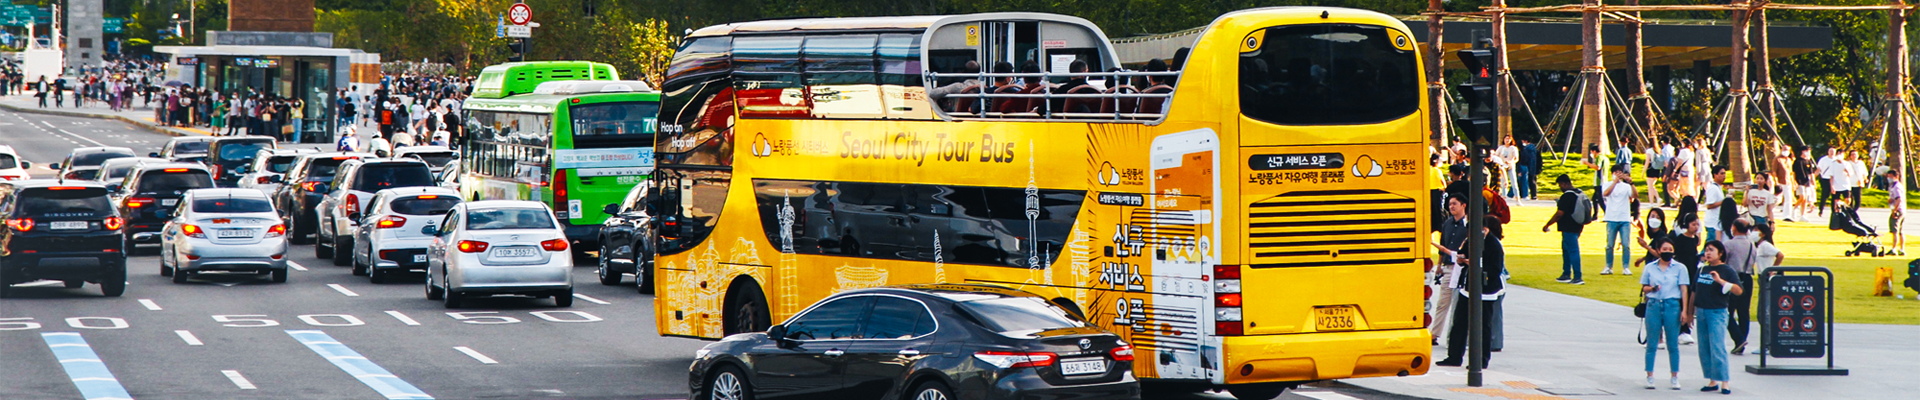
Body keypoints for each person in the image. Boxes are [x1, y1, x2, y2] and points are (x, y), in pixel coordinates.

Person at [1437, 212, 1505, 368]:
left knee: (1483, 326)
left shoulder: (1494, 245)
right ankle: (1454, 357)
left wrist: (1475, 264)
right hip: (1468, 288)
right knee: (1459, 323)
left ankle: (1481, 360)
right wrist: (1462, 260)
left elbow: (1495, 270)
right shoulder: (1471, 241)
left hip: (1486, 291)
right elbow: (1464, 256)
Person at [1692, 240, 1744, 395]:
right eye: (1706, 250)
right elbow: (1694, 291)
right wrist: (1689, 313)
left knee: (1717, 346)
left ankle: (1725, 381)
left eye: (1711, 250)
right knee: (1704, 347)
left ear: (1720, 253)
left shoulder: (1726, 270)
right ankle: (1712, 380)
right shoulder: (1702, 269)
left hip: (1717, 312)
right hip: (1701, 312)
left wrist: (1720, 281)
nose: (1707, 253)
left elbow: (1738, 290)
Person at [1642, 237, 1689, 390]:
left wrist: (1684, 310)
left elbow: (1683, 289)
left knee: (1672, 343)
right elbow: (1644, 288)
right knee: (1652, 343)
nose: (1667, 252)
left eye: (1670, 249)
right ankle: (1649, 375)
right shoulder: (1650, 267)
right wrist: (1652, 288)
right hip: (1654, 305)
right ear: (1658, 250)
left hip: (1672, 305)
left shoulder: (1680, 268)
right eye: (1664, 249)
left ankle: (1674, 376)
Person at [1430, 193, 1470, 344]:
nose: (1451, 207)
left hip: (1461, 267)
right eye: (1450, 204)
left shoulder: (1468, 225)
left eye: (1455, 204)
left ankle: (1455, 336)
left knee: (1458, 304)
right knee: (1443, 302)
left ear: (1463, 205)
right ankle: (1435, 334)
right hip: (1448, 266)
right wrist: (1439, 265)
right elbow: (1443, 245)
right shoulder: (1447, 223)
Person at [1720, 219, 1757, 355]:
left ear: (1734, 228)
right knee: (1743, 311)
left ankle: (1738, 338)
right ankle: (1742, 339)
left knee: (1727, 310)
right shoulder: (1751, 245)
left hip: (1732, 278)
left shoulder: (1729, 244)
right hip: (1747, 277)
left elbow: (1723, 261)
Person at [1542, 174, 1586, 285]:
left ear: (1564, 183)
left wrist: (1547, 225)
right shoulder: (1579, 192)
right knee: (1566, 250)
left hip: (1568, 226)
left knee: (1573, 251)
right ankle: (1566, 273)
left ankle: (1577, 276)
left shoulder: (1567, 196)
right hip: (1578, 224)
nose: (1560, 187)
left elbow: (1559, 214)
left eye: (1561, 184)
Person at [1601, 165, 1636, 276]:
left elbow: (1635, 196)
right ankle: (1608, 266)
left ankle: (1626, 267)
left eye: (1620, 172)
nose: (1618, 174)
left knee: (1626, 244)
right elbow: (1605, 194)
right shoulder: (1607, 184)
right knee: (1610, 244)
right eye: (1616, 172)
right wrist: (1614, 182)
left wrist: (1631, 183)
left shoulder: (1626, 187)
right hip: (1611, 218)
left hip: (1624, 218)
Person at [1702, 167, 1727, 240]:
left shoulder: (1718, 187)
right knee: (1711, 244)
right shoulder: (1713, 188)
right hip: (1712, 222)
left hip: (1717, 222)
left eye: (1724, 173)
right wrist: (1724, 202)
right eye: (1721, 173)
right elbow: (1709, 205)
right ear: (1715, 175)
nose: (1724, 176)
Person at [1890, 169, 1906, 256]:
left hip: (1898, 210)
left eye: (1891, 177)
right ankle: (1902, 249)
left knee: (1895, 230)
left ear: (1896, 177)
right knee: (1900, 231)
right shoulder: (1894, 186)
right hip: (1902, 209)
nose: (1889, 178)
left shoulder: (1897, 187)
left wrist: (1895, 210)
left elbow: (1898, 199)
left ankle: (1894, 248)